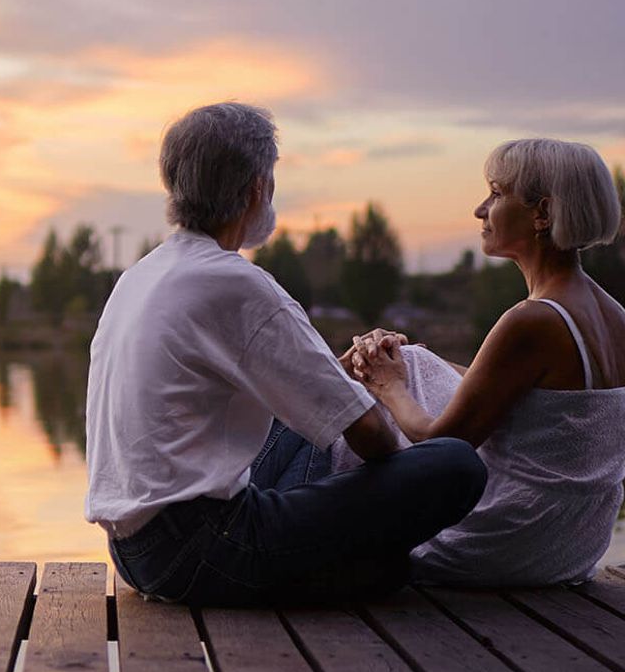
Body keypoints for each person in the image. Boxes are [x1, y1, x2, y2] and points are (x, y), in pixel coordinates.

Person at [85, 102, 487, 606]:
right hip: (204, 546)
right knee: (454, 465)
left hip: (133, 550)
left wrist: (331, 382)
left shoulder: (141, 276)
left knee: (305, 427)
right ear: (257, 188)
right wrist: (386, 411)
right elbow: (373, 440)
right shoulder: (237, 283)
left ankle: (330, 559)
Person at [343, 138, 625, 586]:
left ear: (542, 214)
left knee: (363, 395)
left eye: (496, 194)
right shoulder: (611, 314)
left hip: (506, 540)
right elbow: (531, 401)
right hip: (570, 544)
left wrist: (387, 384)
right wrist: (413, 363)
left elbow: (440, 444)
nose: (480, 209)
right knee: (413, 360)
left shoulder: (534, 320)